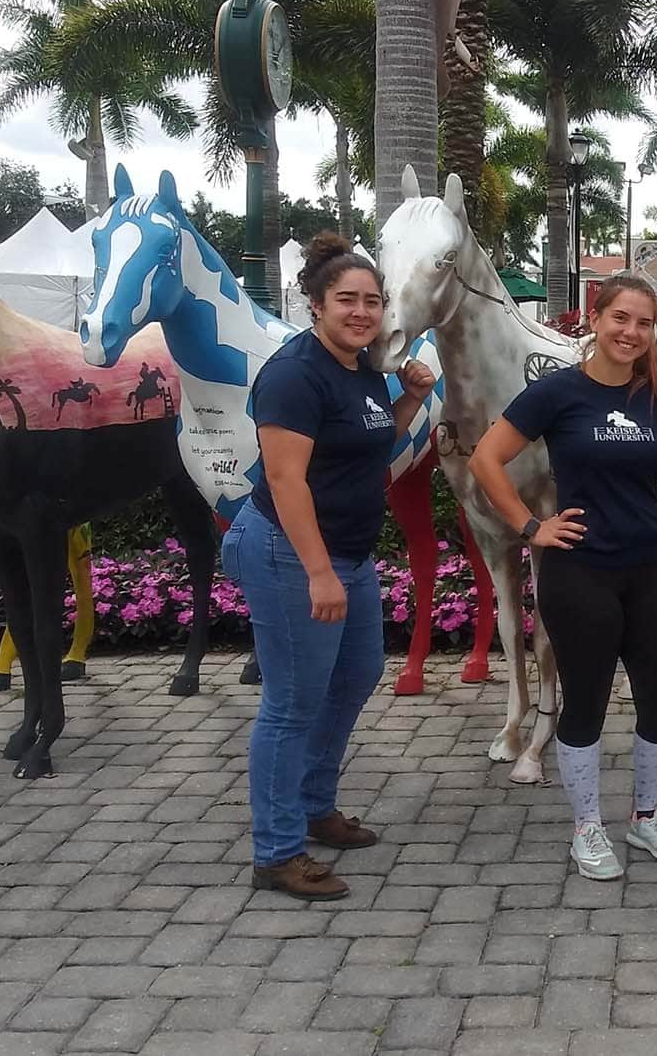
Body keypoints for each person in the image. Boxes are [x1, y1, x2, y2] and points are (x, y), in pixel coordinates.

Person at [468, 276, 657, 881]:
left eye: (644, 323)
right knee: (586, 704)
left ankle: (646, 817)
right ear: (595, 320)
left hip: (649, 571)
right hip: (579, 573)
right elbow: (485, 458)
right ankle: (587, 828)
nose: (631, 332)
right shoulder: (558, 393)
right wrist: (528, 526)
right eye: (620, 318)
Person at [222, 232, 436, 901]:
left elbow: (368, 446)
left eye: (373, 301)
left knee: (357, 673)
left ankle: (314, 805)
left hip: (346, 551)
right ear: (314, 304)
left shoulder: (362, 368)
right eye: (347, 299)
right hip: (292, 550)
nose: (362, 311)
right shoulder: (294, 374)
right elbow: (287, 481)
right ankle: (278, 850)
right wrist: (317, 571)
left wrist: (410, 398)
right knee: (290, 703)